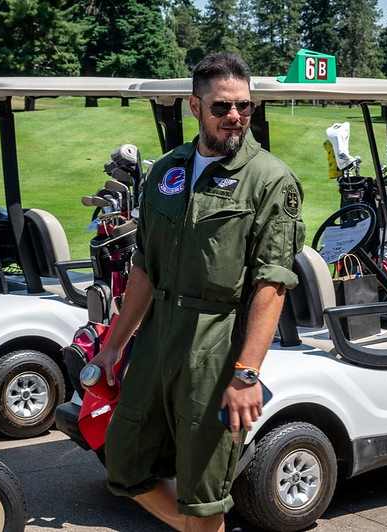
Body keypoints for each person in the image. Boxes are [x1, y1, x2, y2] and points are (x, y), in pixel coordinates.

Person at [91, 52, 305, 532]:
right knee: (124, 465)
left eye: (245, 107)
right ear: (194, 106)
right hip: (158, 337)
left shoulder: (269, 180)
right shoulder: (168, 172)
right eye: (222, 107)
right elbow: (145, 266)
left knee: (204, 494)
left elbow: (272, 286)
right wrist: (113, 347)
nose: (235, 117)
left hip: (216, 343)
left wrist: (247, 373)